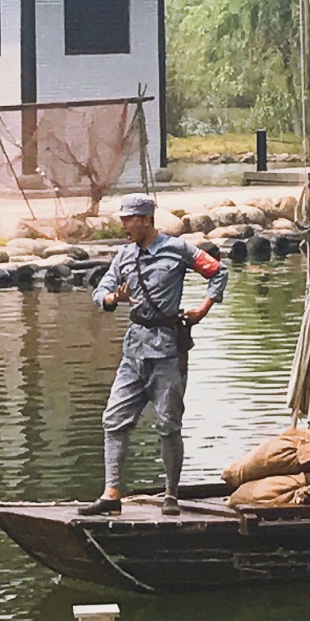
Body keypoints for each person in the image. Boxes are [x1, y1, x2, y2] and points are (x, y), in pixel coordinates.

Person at [80, 193, 228, 517]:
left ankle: (171, 494)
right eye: (122, 219)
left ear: (147, 219)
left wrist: (203, 308)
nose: (124, 226)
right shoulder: (123, 256)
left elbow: (217, 271)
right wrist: (110, 300)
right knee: (114, 419)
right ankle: (111, 493)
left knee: (168, 425)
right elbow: (100, 292)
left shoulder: (178, 250)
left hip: (167, 352)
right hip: (134, 352)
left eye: (129, 219)